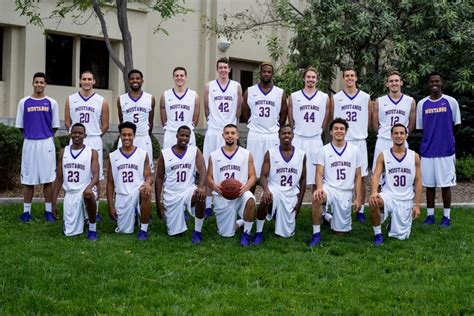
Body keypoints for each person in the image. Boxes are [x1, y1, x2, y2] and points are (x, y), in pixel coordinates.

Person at [308, 118, 363, 247]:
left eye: (342, 129)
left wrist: (358, 198)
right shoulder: (324, 150)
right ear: (331, 132)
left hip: (346, 191)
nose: (339, 131)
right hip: (330, 188)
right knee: (317, 197)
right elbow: (319, 173)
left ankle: (327, 216)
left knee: (341, 233)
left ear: (346, 132)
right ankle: (316, 234)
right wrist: (320, 188)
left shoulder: (355, 150)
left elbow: (358, 176)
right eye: (336, 129)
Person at [416, 72, 461, 227]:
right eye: (431, 81)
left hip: (446, 151)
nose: (434, 84)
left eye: (437, 81)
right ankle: (430, 216)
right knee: (429, 185)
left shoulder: (451, 102)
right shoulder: (422, 104)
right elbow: (421, 128)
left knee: (445, 185)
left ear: (442, 83)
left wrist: (445, 139)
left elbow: (457, 126)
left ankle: (446, 217)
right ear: (428, 84)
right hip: (428, 151)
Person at [16, 72, 60, 222]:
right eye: (37, 82)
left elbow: (54, 126)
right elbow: (20, 127)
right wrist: (32, 135)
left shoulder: (52, 102)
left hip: (46, 142)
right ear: (33, 83)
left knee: (48, 179)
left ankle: (48, 211)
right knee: (28, 179)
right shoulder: (24, 102)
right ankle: (26, 212)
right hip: (29, 142)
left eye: (42, 82)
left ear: (45, 84)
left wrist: (44, 135)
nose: (39, 85)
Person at [65, 70, 109, 218]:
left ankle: (95, 210)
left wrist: (93, 134)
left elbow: (105, 125)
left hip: (93, 139)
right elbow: (67, 121)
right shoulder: (71, 99)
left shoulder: (101, 100)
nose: (87, 82)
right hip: (76, 140)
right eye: (84, 79)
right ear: (80, 81)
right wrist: (76, 134)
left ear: (94, 82)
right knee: (75, 172)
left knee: (96, 176)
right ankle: (73, 206)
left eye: (89, 79)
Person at [369, 123, 422, 245]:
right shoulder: (384, 155)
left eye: (402, 133)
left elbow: (418, 181)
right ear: (391, 136)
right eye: (396, 133)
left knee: (401, 237)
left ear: (406, 136)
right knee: (374, 201)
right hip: (389, 195)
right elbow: (376, 175)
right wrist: (374, 192)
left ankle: (392, 223)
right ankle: (378, 234)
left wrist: (417, 205)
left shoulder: (414, 156)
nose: (399, 136)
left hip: (405, 198)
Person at [203, 58, 243, 215]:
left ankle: (231, 198)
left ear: (230, 69)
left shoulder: (236, 86)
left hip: (229, 132)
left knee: (230, 167)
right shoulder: (209, 86)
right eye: (220, 68)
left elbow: (239, 109)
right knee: (209, 168)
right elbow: (207, 108)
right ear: (217, 69)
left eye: (225, 67)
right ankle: (207, 204)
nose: (223, 70)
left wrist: (231, 126)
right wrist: (213, 122)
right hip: (213, 130)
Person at [155, 126, 207, 244]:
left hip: (188, 190)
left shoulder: (194, 151)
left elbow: (203, 169)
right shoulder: (165, 154)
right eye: (182, 135)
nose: (184, 138)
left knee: (200, 195)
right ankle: (177, 222)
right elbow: (158, 178)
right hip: (171, 194)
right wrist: (158, 203)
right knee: (175, 234)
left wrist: (202, 187)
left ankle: (197, 232)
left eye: (187, 136)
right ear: (177, 136)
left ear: (190, 137)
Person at [207, 124, 256, 246]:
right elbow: (208, 178)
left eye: (233, 133)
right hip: (222, 196)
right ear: (223, 136)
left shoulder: (246, 154)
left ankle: (246, 233)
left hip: (240, 194)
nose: (230, 136)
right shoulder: (214, 155)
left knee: (251, 200)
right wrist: (214, 186)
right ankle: (242, 222)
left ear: (237, 135)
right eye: (227, 133)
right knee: (227, 234)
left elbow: (253, 176)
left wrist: (247, 187)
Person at [255, 125, 306, 244]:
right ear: (278, 136)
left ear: (293, 135)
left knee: (286, 234)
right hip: (275, 189)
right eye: (283, 133)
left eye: (289, 133)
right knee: (265, 199)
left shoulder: (301, 154)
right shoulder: (270, 153)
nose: (286, 136)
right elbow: (263, 176)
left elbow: (303, 180)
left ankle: (277, 214)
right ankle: (258, 232)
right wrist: (266, 190)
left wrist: (299, 203)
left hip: (291, 193)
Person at [333, 68, 372, 223]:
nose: (349, 78)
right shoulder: (337, 98)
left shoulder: (365, 97)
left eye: (352, 76)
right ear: (343, 79)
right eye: (347, 76)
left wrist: (360, 131)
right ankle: (336, 206)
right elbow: (335, 120)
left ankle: (360, 209)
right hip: (343, 141)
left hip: (359, 140)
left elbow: (368, 120)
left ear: (356, 78)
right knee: (338, 174)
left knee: (361, 177)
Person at [52, 123, 100, 240]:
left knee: (89, 195)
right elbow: (59, 178)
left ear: (85, 135)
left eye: (80, 133)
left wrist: (90, 187)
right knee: (70, 232)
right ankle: (84, 218)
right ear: (70, 134)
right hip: (70, 192)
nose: (77, 135)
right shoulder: (63, 152)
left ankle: (92, 229)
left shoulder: (92, 152)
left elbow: (96, 175)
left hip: (85, 188)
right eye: (75, 132)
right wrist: (53, 203)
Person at [242, 62, 287, 185]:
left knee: (272, 171)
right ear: (259, 73)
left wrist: (277, 128)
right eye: (264, 71)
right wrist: (252, 123)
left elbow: (284, 114)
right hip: (255, 134)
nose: (266, 73)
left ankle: (270, 200)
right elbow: (245, 112)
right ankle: (250, 200)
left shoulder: (279, 92)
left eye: (269, 71)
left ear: (272, 74)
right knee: (252, 172)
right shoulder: (250, 91)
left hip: (272, 134)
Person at [106, 122, 153, 240]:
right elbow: (110, 183)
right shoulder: (113, 156)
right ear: (120, 136)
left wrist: (147, 183)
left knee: (146, 192)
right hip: (122, 195)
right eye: (124, 135)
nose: (127, 137)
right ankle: (135, 217)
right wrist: (110, 206)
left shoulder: (142, 154)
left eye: (129, 135)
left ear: (134, 136)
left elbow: (149, 176)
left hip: (137, 191)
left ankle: (143, 230)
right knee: (125, 231)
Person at [288, 67, 330, 192]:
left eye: (313, 77)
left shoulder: (324, 97)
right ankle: (293, 206)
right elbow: (290, 118)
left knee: (317, 176)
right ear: (304, 78)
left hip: (315, 139)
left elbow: (326, 119)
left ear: (317, 80)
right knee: (296, 174)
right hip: (299, 138)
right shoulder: (294, 96)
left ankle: (317, 207)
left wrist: (319, 130)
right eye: (308, 77)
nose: (310, 79)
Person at [372, 70, 416, 173]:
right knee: (378, 173)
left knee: (401, 172)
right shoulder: (379, 101)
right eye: (391, 81)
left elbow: (412, 123)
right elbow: (374, 124)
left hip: (401, 141)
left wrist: (404, 135)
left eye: (396, 80)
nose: (394, 83)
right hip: (383, 140)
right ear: (387, 84)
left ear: (401, 82)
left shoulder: (410, 101)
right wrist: (382, 133)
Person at [117, 69, 155, 170]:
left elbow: (151, 122)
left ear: (142, 81)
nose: (135, 81)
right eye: (132, 79)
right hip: (126, 137)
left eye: (138, 78)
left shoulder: (150, 98)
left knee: (145, 169)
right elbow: (122, 121)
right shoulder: (121, 99)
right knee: (123, 167)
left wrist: (147, 134)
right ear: (128, 81)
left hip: (143, 137)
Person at [161, 67, 199, 149]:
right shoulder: (166, 94)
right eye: (176, 76)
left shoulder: (194, 95)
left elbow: (196, 113)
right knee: (168, 160)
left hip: (187, 133)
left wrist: (192, 126)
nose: (179, 78)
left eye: (181, 75)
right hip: (171, 132)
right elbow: (162, 109)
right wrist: (165, 124)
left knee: (188, 160)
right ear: (173, 77)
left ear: (186, 77)